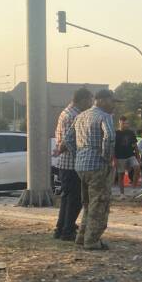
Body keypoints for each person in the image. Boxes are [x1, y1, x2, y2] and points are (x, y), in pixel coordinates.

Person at [62, 88, 118, 250]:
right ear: (102, 100)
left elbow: (68, 140)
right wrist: (106, 157)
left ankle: (82, 236)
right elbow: (110, 137)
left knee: (88, 203)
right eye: (112, 101)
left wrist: (78, 155)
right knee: (99, 204)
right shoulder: (104, 116)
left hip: (81, 166)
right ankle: (92, 240)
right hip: (98, 166)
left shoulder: (80, 116)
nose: (113, 106)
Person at [52, 87, 93, 241]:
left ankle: (62, 227)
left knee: (67, 198)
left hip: (66, 164)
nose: (90, 104)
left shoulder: (66, 112)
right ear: (82, 99)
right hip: (71, 164)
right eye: (89, 100)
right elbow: (70, 142)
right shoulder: (73, 116)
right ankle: (67, 230)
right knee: (74, 199)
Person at [113, 116, 139, 197]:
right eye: (124, 123)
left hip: (130, 155)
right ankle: (122, 194)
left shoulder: (131, 133)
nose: (126, 125)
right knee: (121, 175)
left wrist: (138, 157)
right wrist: (114, 159)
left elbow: (135, 145)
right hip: (120, 157)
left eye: (127, 123)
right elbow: (112, 147)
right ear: (120, 123)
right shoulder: (115, 133)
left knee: (137, 167)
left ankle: (133, 188)